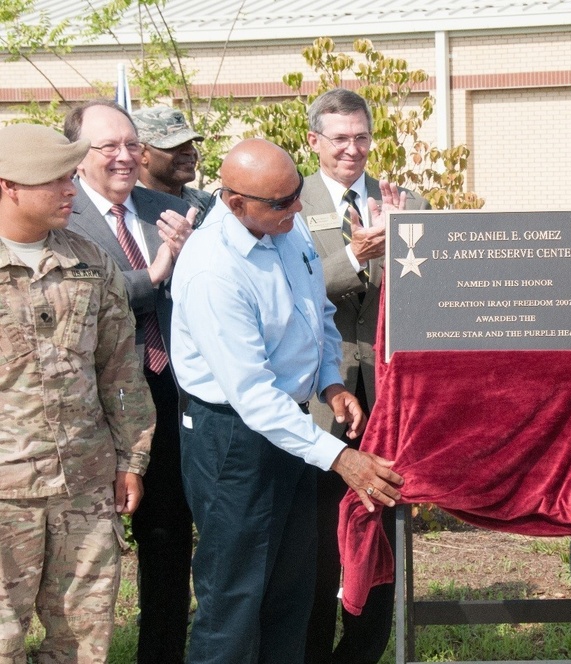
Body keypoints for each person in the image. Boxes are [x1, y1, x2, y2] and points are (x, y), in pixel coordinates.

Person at [170, 138, 404, 663]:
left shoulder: (284, 223)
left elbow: (315, 312)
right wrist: (343, 457)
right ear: (234, 204)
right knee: (234, 597)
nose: (298, 208)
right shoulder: (214, 270)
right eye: (281, 202)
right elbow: (252, 395)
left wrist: (330, 382)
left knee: (291, 593)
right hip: (231, 438)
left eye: (297, 193)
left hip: (291, 428)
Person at [0, 123, 155, 661]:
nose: (70, 189)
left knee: (84, 645)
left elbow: (119, 371)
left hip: (84, 489)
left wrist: (132, 459)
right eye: (55, 180)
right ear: (8, 186)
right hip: (5, 494)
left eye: (71, 176)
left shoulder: (89, 261)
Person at [64, 99, 197, 664]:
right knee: (82, 558)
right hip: (94, 406)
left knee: (168, 546)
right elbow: (91, 294)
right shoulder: (60, 216)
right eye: (108, 147)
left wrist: (194, 260)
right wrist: (157, 273)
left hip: (170, 396)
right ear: (77, 157)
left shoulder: (170, 210)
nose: (124, 157)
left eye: (132, 145)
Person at [300, 88, 429, 664]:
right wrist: (353, 256)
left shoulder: (406, 201)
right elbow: (292, 290)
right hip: (315, 398)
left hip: (390, 399)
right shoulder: (290, 202)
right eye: (339, 139)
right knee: (316, 538)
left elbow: (432, 300)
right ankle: (308, 647)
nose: (352, 150)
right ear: (314, 142)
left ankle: (364, 651)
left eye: (361, 138)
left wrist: (407, 243)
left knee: (384, 530)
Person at [132, 105, 214, 223]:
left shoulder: (209, 204)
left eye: (190, 143)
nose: (190, 151)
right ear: (142, 154)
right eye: (174, 145)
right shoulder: (125, 206)